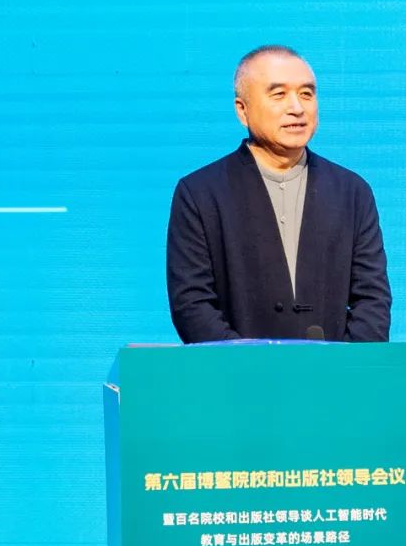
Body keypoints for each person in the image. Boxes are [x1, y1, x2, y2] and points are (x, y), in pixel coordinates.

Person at [166, 45, 391, 343]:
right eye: (279, 94)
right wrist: (251, 363)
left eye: (306, 94)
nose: (296, 108)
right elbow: (192, 304)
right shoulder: (200, 193)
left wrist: (346, 365)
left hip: (336, 371)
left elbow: (372, 301)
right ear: (242, 110)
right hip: (237, 370)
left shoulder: (351, 192)